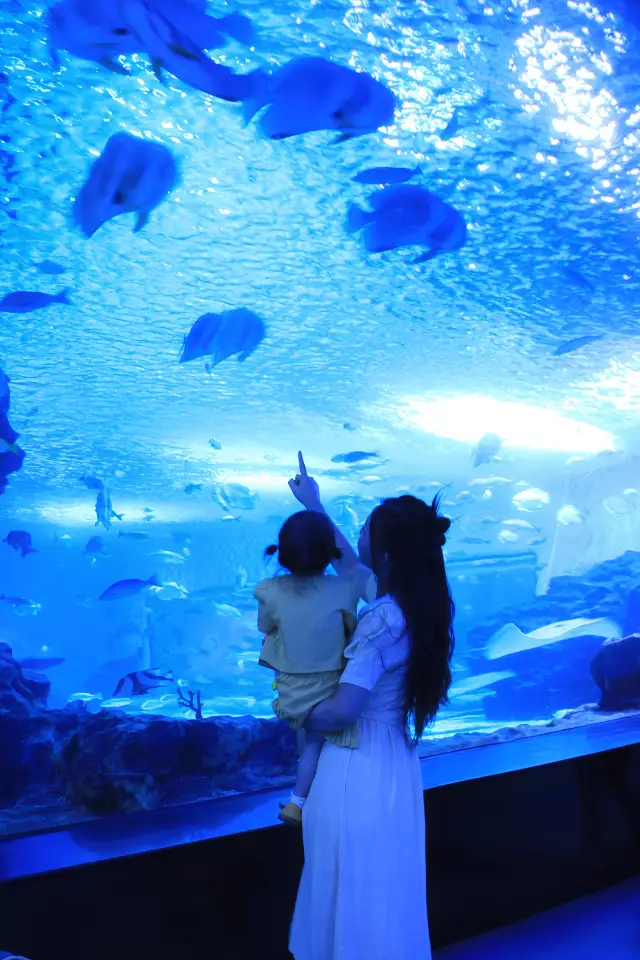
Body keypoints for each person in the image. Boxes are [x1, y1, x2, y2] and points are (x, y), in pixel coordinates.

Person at [287, 452, 455, 960]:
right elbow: (349, 562)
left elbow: (342, 710)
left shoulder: (381, 618)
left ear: (386, 553)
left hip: (355, 765)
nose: (357, 534)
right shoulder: (418, 603)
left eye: (366, 528)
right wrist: (314, 504)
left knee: (350, 888)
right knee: (383, 892)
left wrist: (295, 711)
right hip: (393, 766)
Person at [254, 510, 362, 826]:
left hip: (291, 687)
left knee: (308, 740)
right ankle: (301, 802)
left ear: (283, 551)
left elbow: (265, 625)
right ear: (330, 551)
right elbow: (351, 629)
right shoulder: (343, 589)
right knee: (316, 742)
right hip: (331, 684)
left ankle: (302, 801)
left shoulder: (268, 589)